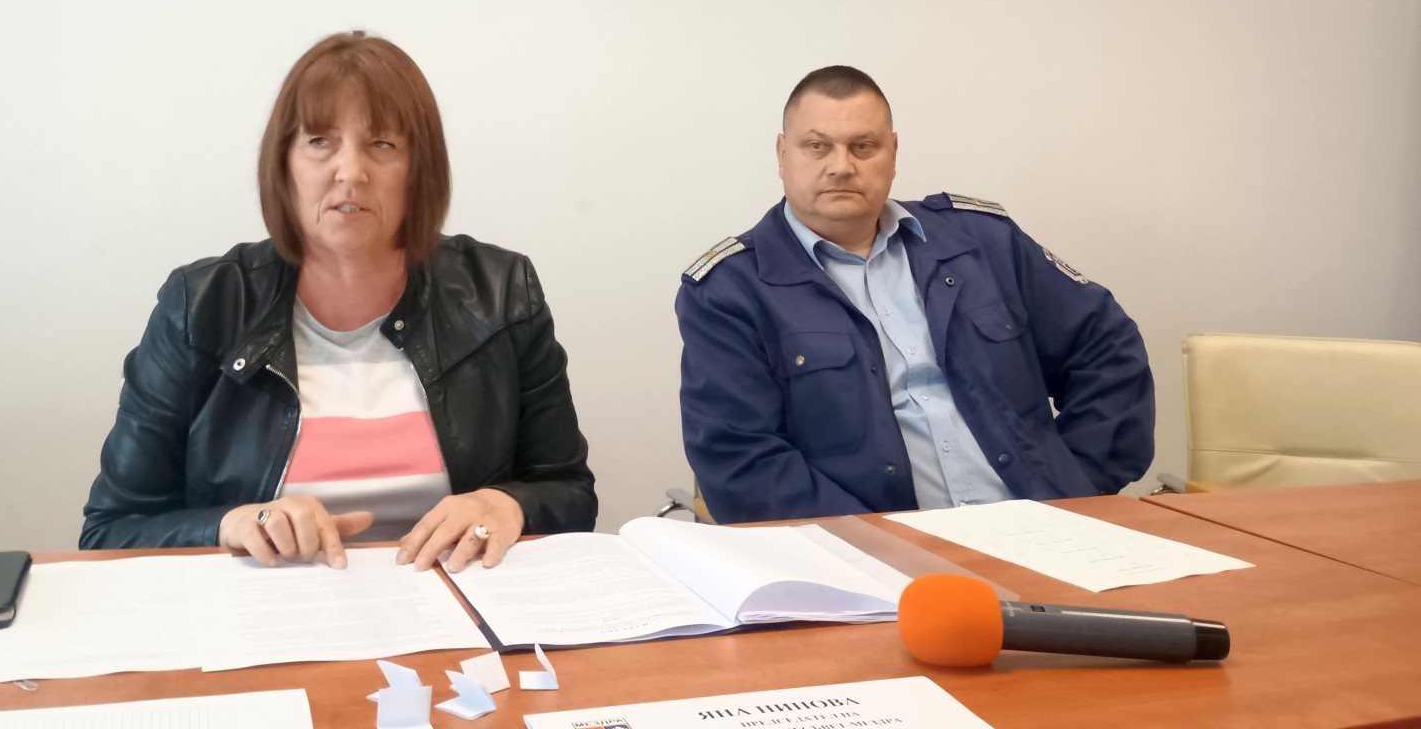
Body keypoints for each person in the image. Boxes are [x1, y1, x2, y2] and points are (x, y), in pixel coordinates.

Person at [81, 31, 596, 571]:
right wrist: (228, 525)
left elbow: (569, 493)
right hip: (268, 607)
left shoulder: (502, 292)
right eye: (320, 141)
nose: (351, 172)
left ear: (419, 171)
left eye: (383, 144)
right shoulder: (203, 306)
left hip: (454, 599)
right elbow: (111, 531)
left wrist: (507, 504)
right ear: (283, 165)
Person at [676, 65, 1154, 524]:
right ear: (782, 154)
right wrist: (877, 544)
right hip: (868, 555)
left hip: (1043, 531)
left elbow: (1107, 349)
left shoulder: (983, 242)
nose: (841, 167)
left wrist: (1077, 486)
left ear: (893, 153)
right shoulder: (730, 291)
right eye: (817, 146)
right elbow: (741, 461)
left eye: (863, 146)